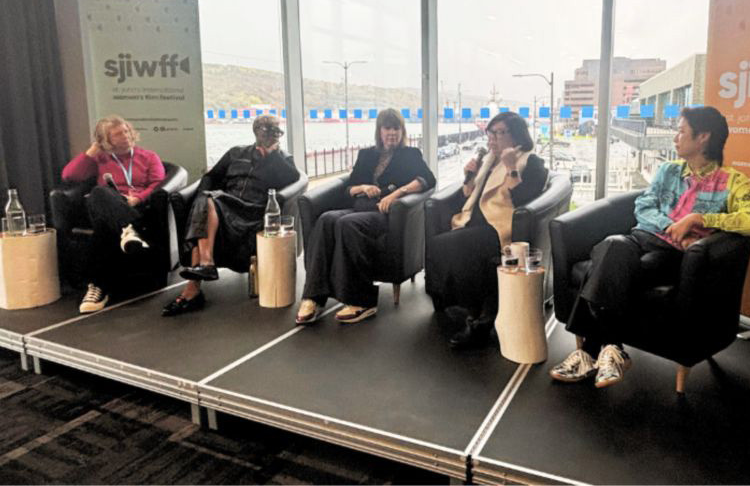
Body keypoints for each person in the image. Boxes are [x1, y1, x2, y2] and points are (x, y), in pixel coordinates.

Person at [549, 106, 750, 388]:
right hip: (642, 238)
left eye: (681, 131)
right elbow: (643, 206)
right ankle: (612, 349)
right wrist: (672, 226)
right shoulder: (668, 170)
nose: (675, 137)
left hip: (675, 256)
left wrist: (700, 219)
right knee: (612, 245)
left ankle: (588, 351)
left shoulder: (731, 181)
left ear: (703, 137)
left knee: (611, 262)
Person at [296, 108, 436, 325]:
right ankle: (313, 297)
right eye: (387, 128)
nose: (392, 133)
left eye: (396, 128)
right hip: (359, 206)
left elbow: (427, 180)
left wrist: (397, 194)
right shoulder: (367, 155)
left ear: (402, 131)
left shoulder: (410, 155)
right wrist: (362, 187)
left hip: (384, 213)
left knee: (345, 223)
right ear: (379, 131)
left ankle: (363, 302)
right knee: (326, 219)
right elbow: (348, 189)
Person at [426, 111, 548, 349]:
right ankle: (462, 304)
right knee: (440, 243)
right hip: (473, 220)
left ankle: (479, 319)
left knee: (446, 245)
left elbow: (525, 199)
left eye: (498, 133)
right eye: (490, 133)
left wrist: (512, 167)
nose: (491, 138)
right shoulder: (489, 159)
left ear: (516, 136)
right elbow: (469, 194)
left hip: (499, 228)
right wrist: (469, 177)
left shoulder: (531, 162)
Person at [162, 115, 300, 316]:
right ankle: (200, 273)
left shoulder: (283, 160)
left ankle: (194, 286)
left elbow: (293, 179)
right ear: (256, 131)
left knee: (206, 206)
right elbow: (211, 177)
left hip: (253, 211)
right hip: (225, 207)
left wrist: (272, 156)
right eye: (265, 129)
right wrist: (199, 199)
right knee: (205, 202)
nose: (269, 134)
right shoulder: (236, 153)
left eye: (274, 129)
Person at [61, 115, 165, 313]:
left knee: (103, 227)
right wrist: (92, 151)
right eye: (118, 134)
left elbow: (157, 184)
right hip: (106, 203)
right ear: (106, 140)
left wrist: (137, 198)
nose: (125, 136)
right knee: (99, 193)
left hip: (135, 207)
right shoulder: (100, 159)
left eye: (126, 131)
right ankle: (129, 230)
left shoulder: (148, 156)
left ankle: (97, 286)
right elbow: (69, 176)